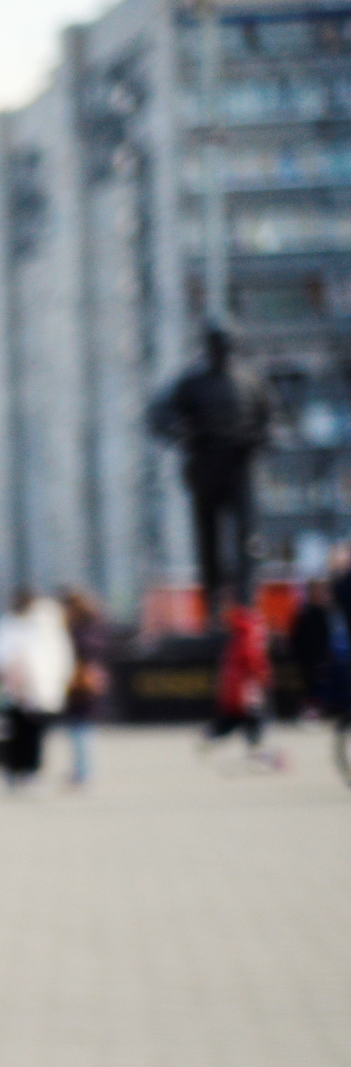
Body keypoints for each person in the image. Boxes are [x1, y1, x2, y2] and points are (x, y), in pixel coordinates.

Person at [147, 326, 274, 610]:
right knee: (208, 539)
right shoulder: (193, 383)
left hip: (240, 467)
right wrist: (180, 433)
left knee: (247, 537)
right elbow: (159, 415)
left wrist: (260, 437)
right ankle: (214, 604)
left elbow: (270, 418)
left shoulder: (250, 381)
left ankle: (245, 601)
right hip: (206, 467)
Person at [0, 587, 72, 788]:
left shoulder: (45, 624)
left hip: (37, 687)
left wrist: (56, 681)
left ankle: (31, 770)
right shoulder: (7, 624)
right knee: (14, 730)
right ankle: (14, 769)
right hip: (13, 688)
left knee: (34, 731)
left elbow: (57, 655)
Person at [203, 596, 284, 768]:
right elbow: (253, 659)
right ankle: (262, 754)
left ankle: (212, 739)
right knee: (252, 723)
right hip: (246, 690)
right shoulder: (250, 631)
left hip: (237, 689)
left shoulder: (240, 632)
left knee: (236, 721)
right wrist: (264, 678)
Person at [60, 588, 110, 788]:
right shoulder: (95, 626)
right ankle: (83, 770)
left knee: (80, 727)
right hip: (88, 681)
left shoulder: (79, 630)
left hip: (80, 682)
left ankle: (84, 771)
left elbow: (81, 653)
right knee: (82, 726)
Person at [287, 577, 347, 722]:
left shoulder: (328, 613)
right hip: (309, 659)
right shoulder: (305, 613)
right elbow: (297, 638)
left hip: (325, 658)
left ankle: (329, 708)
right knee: (312, 683)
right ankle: (312, 709)